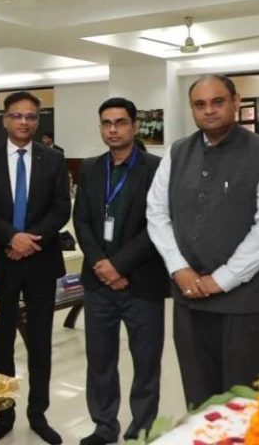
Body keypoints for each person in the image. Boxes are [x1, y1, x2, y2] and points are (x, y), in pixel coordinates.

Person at [147, 74, 259, 408]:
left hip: (247, 305)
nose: (209, 110)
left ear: (235, 102)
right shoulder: (177, 153)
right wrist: (178, 268)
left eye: (217, 101)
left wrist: (223, 279)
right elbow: (156, 212)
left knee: (242, 401)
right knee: (199, 396)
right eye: (200, 104)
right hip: (189, 298)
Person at [0, 90, 70, 444]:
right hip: (2, 263)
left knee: (41, 342)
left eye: (31, 116)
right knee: (2, 341)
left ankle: (38, 413)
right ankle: (6, 412)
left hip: (41, 262)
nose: (24, 122)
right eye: (17, 115)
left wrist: (28, 241)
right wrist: (12, 238)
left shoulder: (54, 160)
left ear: (37, 121)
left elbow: (61, 209)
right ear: (5, 120)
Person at [73, 98, 169, 445]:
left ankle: (141, 428)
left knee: (146, 362)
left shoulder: (157, 168)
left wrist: (119, 265)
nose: (113, 129)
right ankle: (104, 426)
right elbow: (82, 220)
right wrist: (102, 264)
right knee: (100, 360)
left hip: (142, 282)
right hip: (99, 284)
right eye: (106, 123)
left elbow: (158, 224)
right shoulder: (90, 168)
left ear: (135, 126)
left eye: (120, 122)